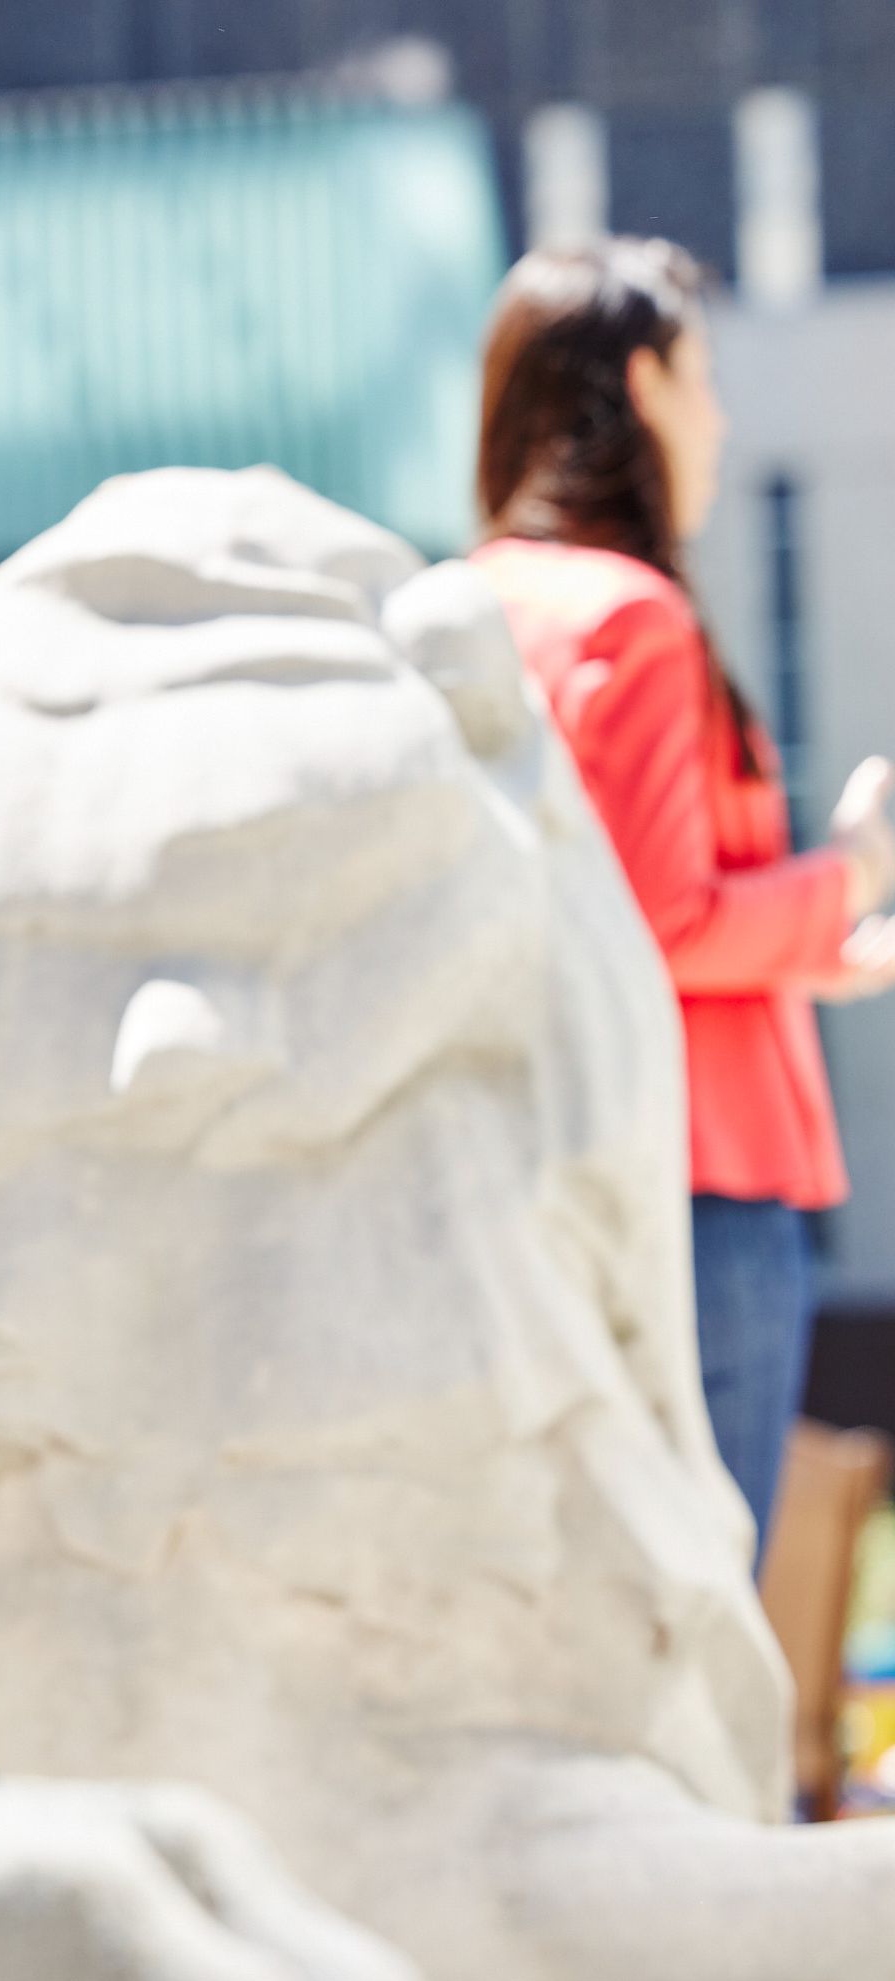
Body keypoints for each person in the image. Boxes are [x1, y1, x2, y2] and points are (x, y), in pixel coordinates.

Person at [471, 238, 895, 1553]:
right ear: (645, 385)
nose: (716, 422)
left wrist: (804, 946)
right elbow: (664, 919)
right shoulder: (635, 619)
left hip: (535, 1173)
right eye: (702, 378)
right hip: (705, 1189)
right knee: (699, 1617)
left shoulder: (480, 600)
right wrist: (857, 869)